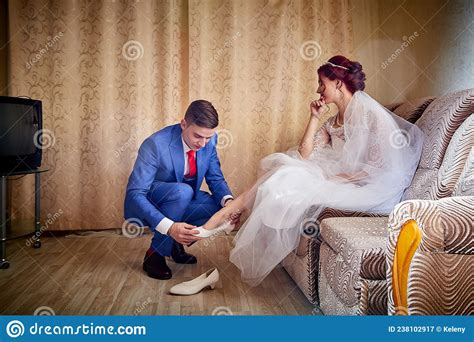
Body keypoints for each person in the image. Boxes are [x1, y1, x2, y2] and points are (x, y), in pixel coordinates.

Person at [198, 55, 424, 286]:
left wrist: (330, 178)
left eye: (321, 83)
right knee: (285, 170)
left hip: (368, 187)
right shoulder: (333, 121)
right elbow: (304, 155)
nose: (318, 89)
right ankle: (230, 214)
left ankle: (228, 214)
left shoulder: (371, 114)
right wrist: (314, 118)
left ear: (337, 83)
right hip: (337, 177)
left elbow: (377, 169)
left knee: (287, 174)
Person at [124, 100, 235, 280]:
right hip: (154, 201)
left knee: (221, 208)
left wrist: (230, 205)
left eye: (208, 137)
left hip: (183, 200)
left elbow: (215, 178)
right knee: (182, 192)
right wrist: (169, 227)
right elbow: (135, 193)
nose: (203, 143)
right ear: (183, 124)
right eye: (198, 136)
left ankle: (175, 243)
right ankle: (155, 254)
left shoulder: (209, 141)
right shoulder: (155, 144)